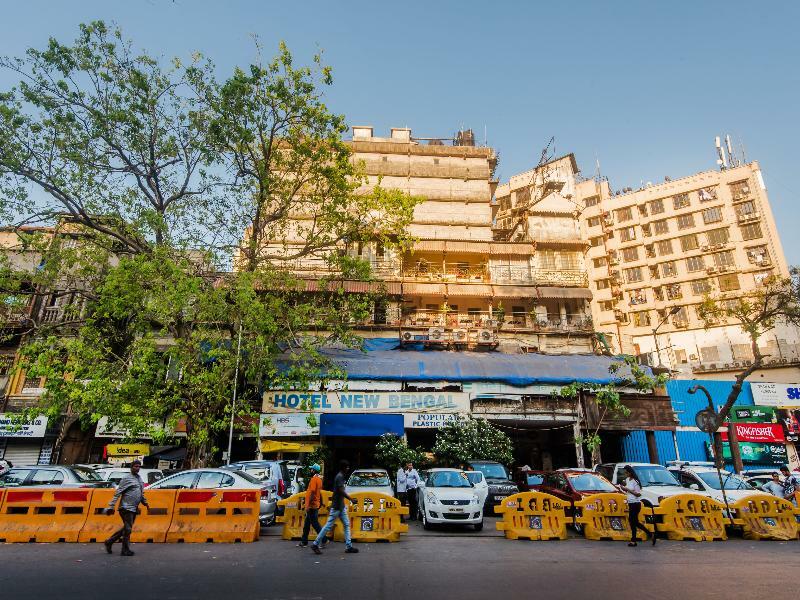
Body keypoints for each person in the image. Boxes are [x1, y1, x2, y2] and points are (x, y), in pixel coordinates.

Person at [311, 460, 358, 554]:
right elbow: (340, 491)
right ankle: (315, 544)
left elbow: (337, 492)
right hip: (337, 506)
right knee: (328, 526)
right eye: (347, 467)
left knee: (346, 524)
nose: (348, 468)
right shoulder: (340, 477)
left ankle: (349, 546)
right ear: (343, 468)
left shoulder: (340, 476)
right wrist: (351, 499)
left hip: (340, 506)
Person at [104, 460, 149, 556]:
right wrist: (111, 506)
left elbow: (141, 493)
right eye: (135, 466)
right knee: (128, 529)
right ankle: (125, 549)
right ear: (131, 467)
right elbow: (118, 492)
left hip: (134, 508)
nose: (137, 468)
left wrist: (145, 503)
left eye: (138, 466)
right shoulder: (126, 478)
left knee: (126, 528)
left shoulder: (139, 479)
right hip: (125, 507)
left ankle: (109, 541)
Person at [621, 465, 653, 547]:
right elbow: (626, 489)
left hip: (636, 504)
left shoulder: (636, 482)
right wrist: (623, 487)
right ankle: (648, 534)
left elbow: (638, 494)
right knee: (634, 522)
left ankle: (634, 540)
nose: (625, 474)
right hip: (630, 503)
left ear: (630, 472)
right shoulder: (627, 480)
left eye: (626, 472)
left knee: (633, 521)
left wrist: (627, 489)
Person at [298, 464, 326, 547]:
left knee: (315, 524)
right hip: (315, 504)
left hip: (312, 505)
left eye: (311, 469)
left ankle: (324, 539)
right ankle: (304, 541)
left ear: (314, 470)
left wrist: (307, 505)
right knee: (307, 524)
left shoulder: (314, 479)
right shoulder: (319, 479)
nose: (310, 470)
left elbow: (313, 492)